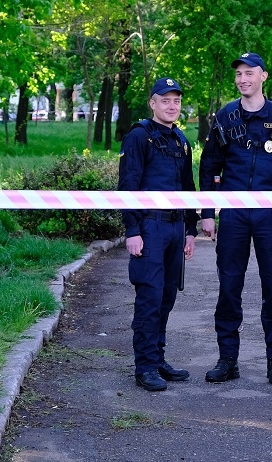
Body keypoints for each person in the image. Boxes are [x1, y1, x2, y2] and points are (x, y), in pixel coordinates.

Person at [199, 52, 272, 384]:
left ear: (263, 76)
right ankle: (227, 359)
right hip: (233, 214)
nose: (243, 79)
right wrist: (206, 214)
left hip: (271, 215)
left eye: (249, 73)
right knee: (229, 287)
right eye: (239, 75)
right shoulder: (226, 116)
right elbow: (208, 167)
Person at [118, 77, 200, 391]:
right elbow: (127, 186)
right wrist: (132, 230)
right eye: (165, 100)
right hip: (149, 227)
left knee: (166, 298)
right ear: (152, 103)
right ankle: (145, 367)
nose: (171, 105)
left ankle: (158, 358)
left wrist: (190, 230)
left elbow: (188, 188)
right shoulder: (139, 137)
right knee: (150, 298)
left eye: (176, 100)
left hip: (175, 228)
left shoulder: (181, 140)